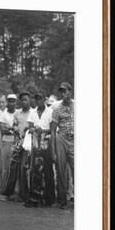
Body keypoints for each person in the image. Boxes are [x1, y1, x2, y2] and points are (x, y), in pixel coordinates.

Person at [25, 93, 55, 207]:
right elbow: (30, 126)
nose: (38, 101)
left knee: (48, 172)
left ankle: (50, 199)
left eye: (40, 99)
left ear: (44, 99)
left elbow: (53, 129)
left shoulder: (50, 111)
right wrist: (34, 129)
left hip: (47, 143)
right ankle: (35, 199)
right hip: (36, 144)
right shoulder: (32, 112)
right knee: (35, 171)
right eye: (36, 99)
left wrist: (42, 130)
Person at [51, 82, 74, 210]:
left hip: (75, 138)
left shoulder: (77, 105)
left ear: (70, 91)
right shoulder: (57, 108)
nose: (64, 94)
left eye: (66, 91)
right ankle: (62, 200)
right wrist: (54, 151)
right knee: (61, 169)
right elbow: (53, 130)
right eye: (62, 92)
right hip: (62, 138)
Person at [0, 94, 19, 201]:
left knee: (15, 167)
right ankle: (4, 190)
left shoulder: (18, 113)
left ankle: (15, 190)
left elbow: (19, 128)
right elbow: (2, 130)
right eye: (9, 101)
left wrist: (9, 128)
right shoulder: (3, 114)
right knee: (5, 167)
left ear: (16, 102)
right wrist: (12, 129)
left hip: (17, 142)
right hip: (6, 142)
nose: (11, 103)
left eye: (13, 101)